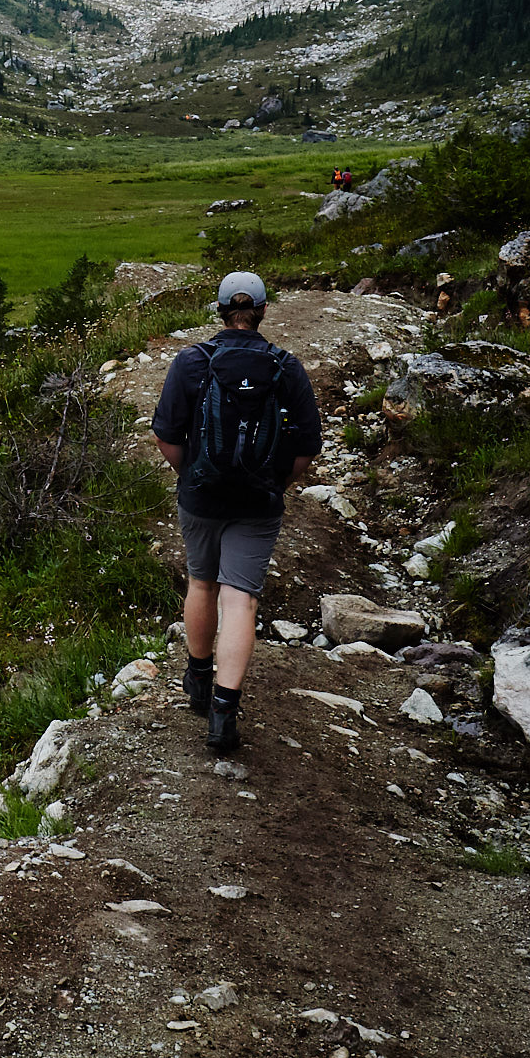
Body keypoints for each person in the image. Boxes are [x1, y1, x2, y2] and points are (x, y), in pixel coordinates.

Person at [149, 271, 322, 752]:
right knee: (241, 599)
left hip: (200, 496)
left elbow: (166, 435)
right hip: (259, 502)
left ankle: (199, 680)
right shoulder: (286, 367)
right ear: (264, 310)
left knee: (201, 582)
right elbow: (308, 445)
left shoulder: (192, 361)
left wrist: (193, 474)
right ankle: (224, 716)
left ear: (220, 310)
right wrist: (276, 482)